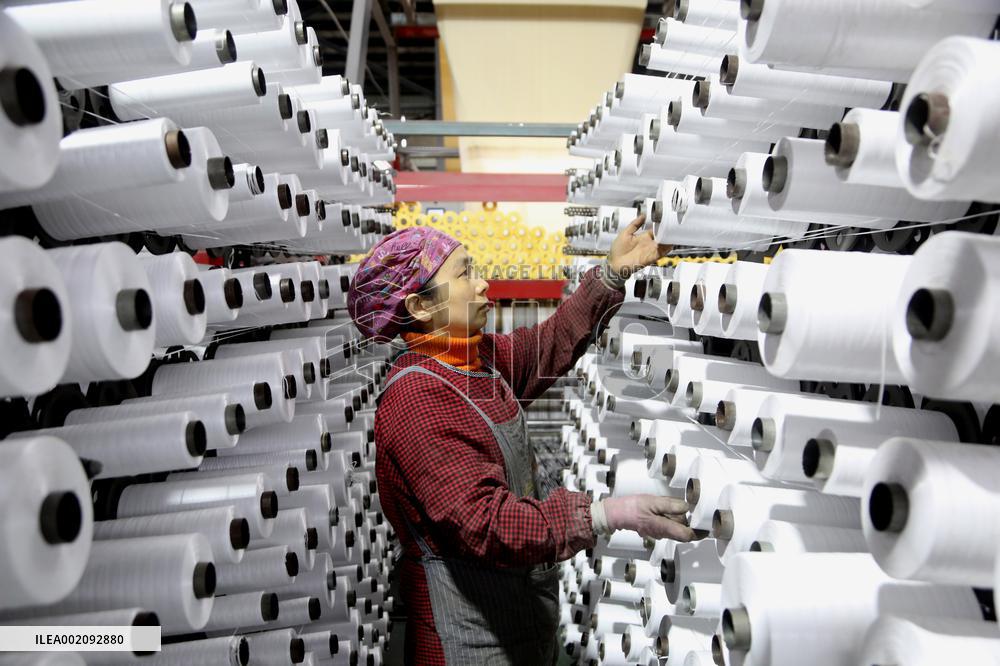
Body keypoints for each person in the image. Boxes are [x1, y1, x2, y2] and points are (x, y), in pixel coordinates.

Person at [347, 216, 693, 665]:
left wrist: (610, 275)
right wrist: (605, 514)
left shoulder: (475, 359)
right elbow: (487, 523)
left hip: (515, 615)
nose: (484, 284)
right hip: (464, 641)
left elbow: (545, 345)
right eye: (465, 274)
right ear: (420, 306)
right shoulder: (418, 398)